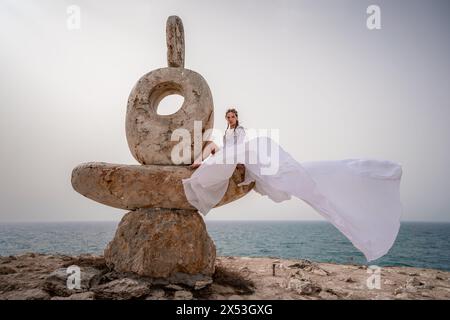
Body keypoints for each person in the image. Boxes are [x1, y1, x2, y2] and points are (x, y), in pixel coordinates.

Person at [182, 107, 403, 262]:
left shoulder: (240, 131)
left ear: (236, 118)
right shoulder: (228, 132)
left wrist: (233, 157)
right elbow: (225, 146)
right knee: (211, 145)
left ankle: (202, 163)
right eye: (227, 117)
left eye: (232, 116)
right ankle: (200, 161)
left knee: (296, 175)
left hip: (241, 155)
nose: (230, 119)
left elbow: (239, 147)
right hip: (231, 154)